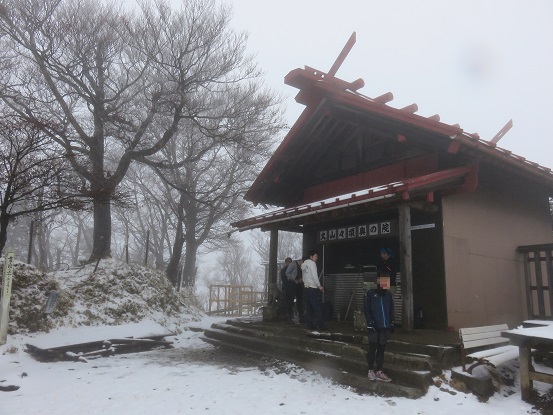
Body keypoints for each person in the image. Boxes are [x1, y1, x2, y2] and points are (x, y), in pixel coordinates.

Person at [363, 273, 394, 382]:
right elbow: (366, 309)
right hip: (373, 327)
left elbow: (391, 309)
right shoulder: (370, 293)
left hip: (385, 326)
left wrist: (392, 322)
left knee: (381, 349)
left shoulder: (388, 294)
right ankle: (370, 370)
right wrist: (370, 322)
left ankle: (379, 371)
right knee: (372, 348)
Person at [301, 250, 326, 331]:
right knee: (317, 307)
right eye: (315, 256)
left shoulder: (304, 264)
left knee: (308, 308)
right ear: (311, 257)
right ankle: (320, 325)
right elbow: (314, 276)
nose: (316, 258)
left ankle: (310, 325)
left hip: (306, 288)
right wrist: (319, 286)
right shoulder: (312, 263)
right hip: (312, 288)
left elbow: (304, 277)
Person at [285, 258, 304, 323]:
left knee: (300, 300)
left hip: (299, 284)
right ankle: (289, 317)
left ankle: (301, 317)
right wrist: (293, 279)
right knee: (291, 300)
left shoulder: (302, 267)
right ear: (300, 261)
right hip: (292, 284)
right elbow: (287, 273)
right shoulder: (293, 264)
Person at [280, 257, 293, 322]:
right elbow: (283, 279)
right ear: (285, 263)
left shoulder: (293, 270)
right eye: (288, 262)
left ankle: (290, 316)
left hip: (291, 289)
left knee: (291, 303)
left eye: (290, 262)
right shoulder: (283, 270)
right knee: (285, 303)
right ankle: (286, 316)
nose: (289, 263)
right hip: (285, 288)